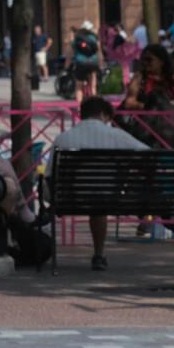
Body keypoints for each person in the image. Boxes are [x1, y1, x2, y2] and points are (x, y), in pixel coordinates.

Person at [51, 95, 149, 270]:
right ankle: (98, 254)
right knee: (99, 199)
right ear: (103, 114)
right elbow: (148, 154)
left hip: (71, 200)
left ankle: (94, 254)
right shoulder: (116, 135)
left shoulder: (63, 139)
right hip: (109, 198)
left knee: (94, 196)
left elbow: (51, 173)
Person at [118, 43, 174, 152]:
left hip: (169, 128)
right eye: (143, 60)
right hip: (146, 129)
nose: (145, 63)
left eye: (149, 60)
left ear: (161, 62)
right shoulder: (140, 78)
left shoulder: (171, 80)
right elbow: (129, 103)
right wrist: (150, 107)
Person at [68, 21, 102, 97]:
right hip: (93, 63)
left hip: (81, 63)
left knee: (78, 87)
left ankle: (79, 106)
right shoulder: (94, 38)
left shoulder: (77, 38)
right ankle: (93, 104)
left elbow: (71, 48)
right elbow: (98, 50)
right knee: (93, 86)